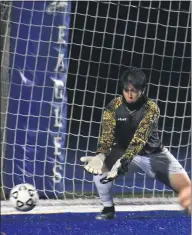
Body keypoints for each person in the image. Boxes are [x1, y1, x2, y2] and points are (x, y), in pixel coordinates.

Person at [80, 66, 191, 220]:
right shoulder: (113, 107)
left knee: (188, 191)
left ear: (143, 90)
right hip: (123, 153)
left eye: (134, 90)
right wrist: (100, 155)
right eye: (126, 90)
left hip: (155, 156)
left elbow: (139, 139)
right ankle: (108, 208)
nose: (130, 94)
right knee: (100, 170)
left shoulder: (151, 108)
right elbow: (107, 135)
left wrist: (122, 161)